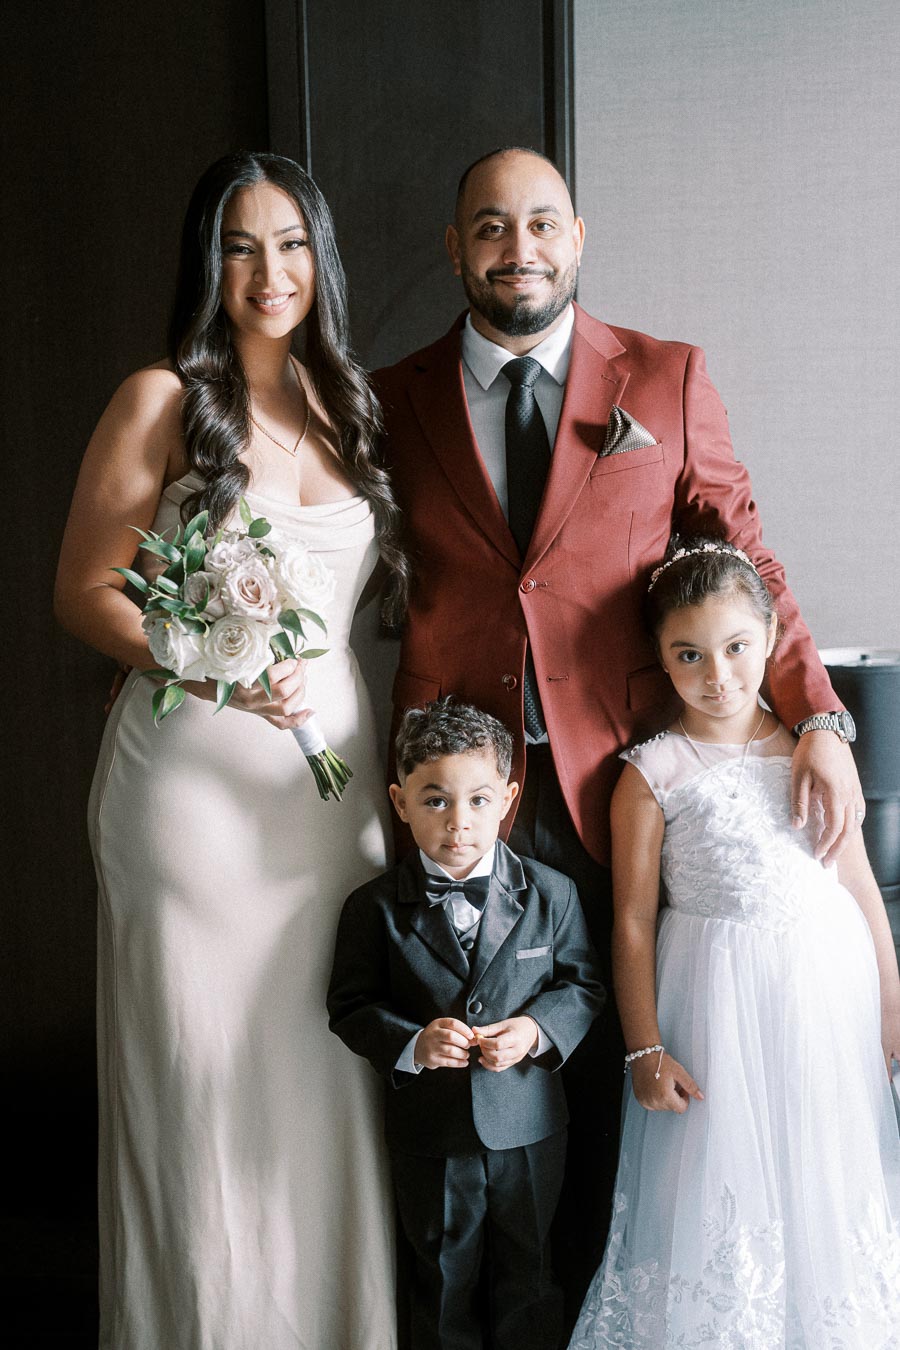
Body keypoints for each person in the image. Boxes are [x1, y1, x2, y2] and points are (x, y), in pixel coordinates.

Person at [373, 144, 866, 1313]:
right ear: (456, 249)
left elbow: (752, 562)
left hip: (631, 792)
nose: (519, 248)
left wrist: (822, 717)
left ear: (579, 236)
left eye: (542, 223)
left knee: (632, 1067)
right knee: (477, 1087)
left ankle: (611, 1312)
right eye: (490, 227)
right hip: (462, 795)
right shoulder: (389, 399)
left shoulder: (668, 378)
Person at [54, 151, 408, 1350]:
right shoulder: (162, 397)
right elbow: (84, 590)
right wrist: (211, 661)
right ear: (209, 263)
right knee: (202, 1090)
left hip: (325, 801)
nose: (270, 272)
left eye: (293, 244)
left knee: (320, 1081)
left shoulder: (346, 400)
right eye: (242, 247)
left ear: (323, 260)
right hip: (192, 804)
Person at [568, 537, 900, 1348]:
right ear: (660, 659)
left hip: (826, 995)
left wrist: (890, 1014)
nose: (717, 675)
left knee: (825, 1177)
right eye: (689, 655)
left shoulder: (811, 753)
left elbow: (859, 889)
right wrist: (643, 1047)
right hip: (713, 1008)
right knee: (719, 1188)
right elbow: (633, 921)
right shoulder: (653, 773)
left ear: (769, 640)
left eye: (736, 648)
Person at [327, 698, 605, 1350]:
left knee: (530, 1275)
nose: (459, 822)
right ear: (399, 801)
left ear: (509, 798)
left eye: (479, 801)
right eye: (435, 801)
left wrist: (535, 1030)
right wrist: (414, 1044)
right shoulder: (371, 909)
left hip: (530, 1128)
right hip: (433, 1133)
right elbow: (350, 1007)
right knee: (441, 1280)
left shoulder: (552, 892)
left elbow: (583, 986)